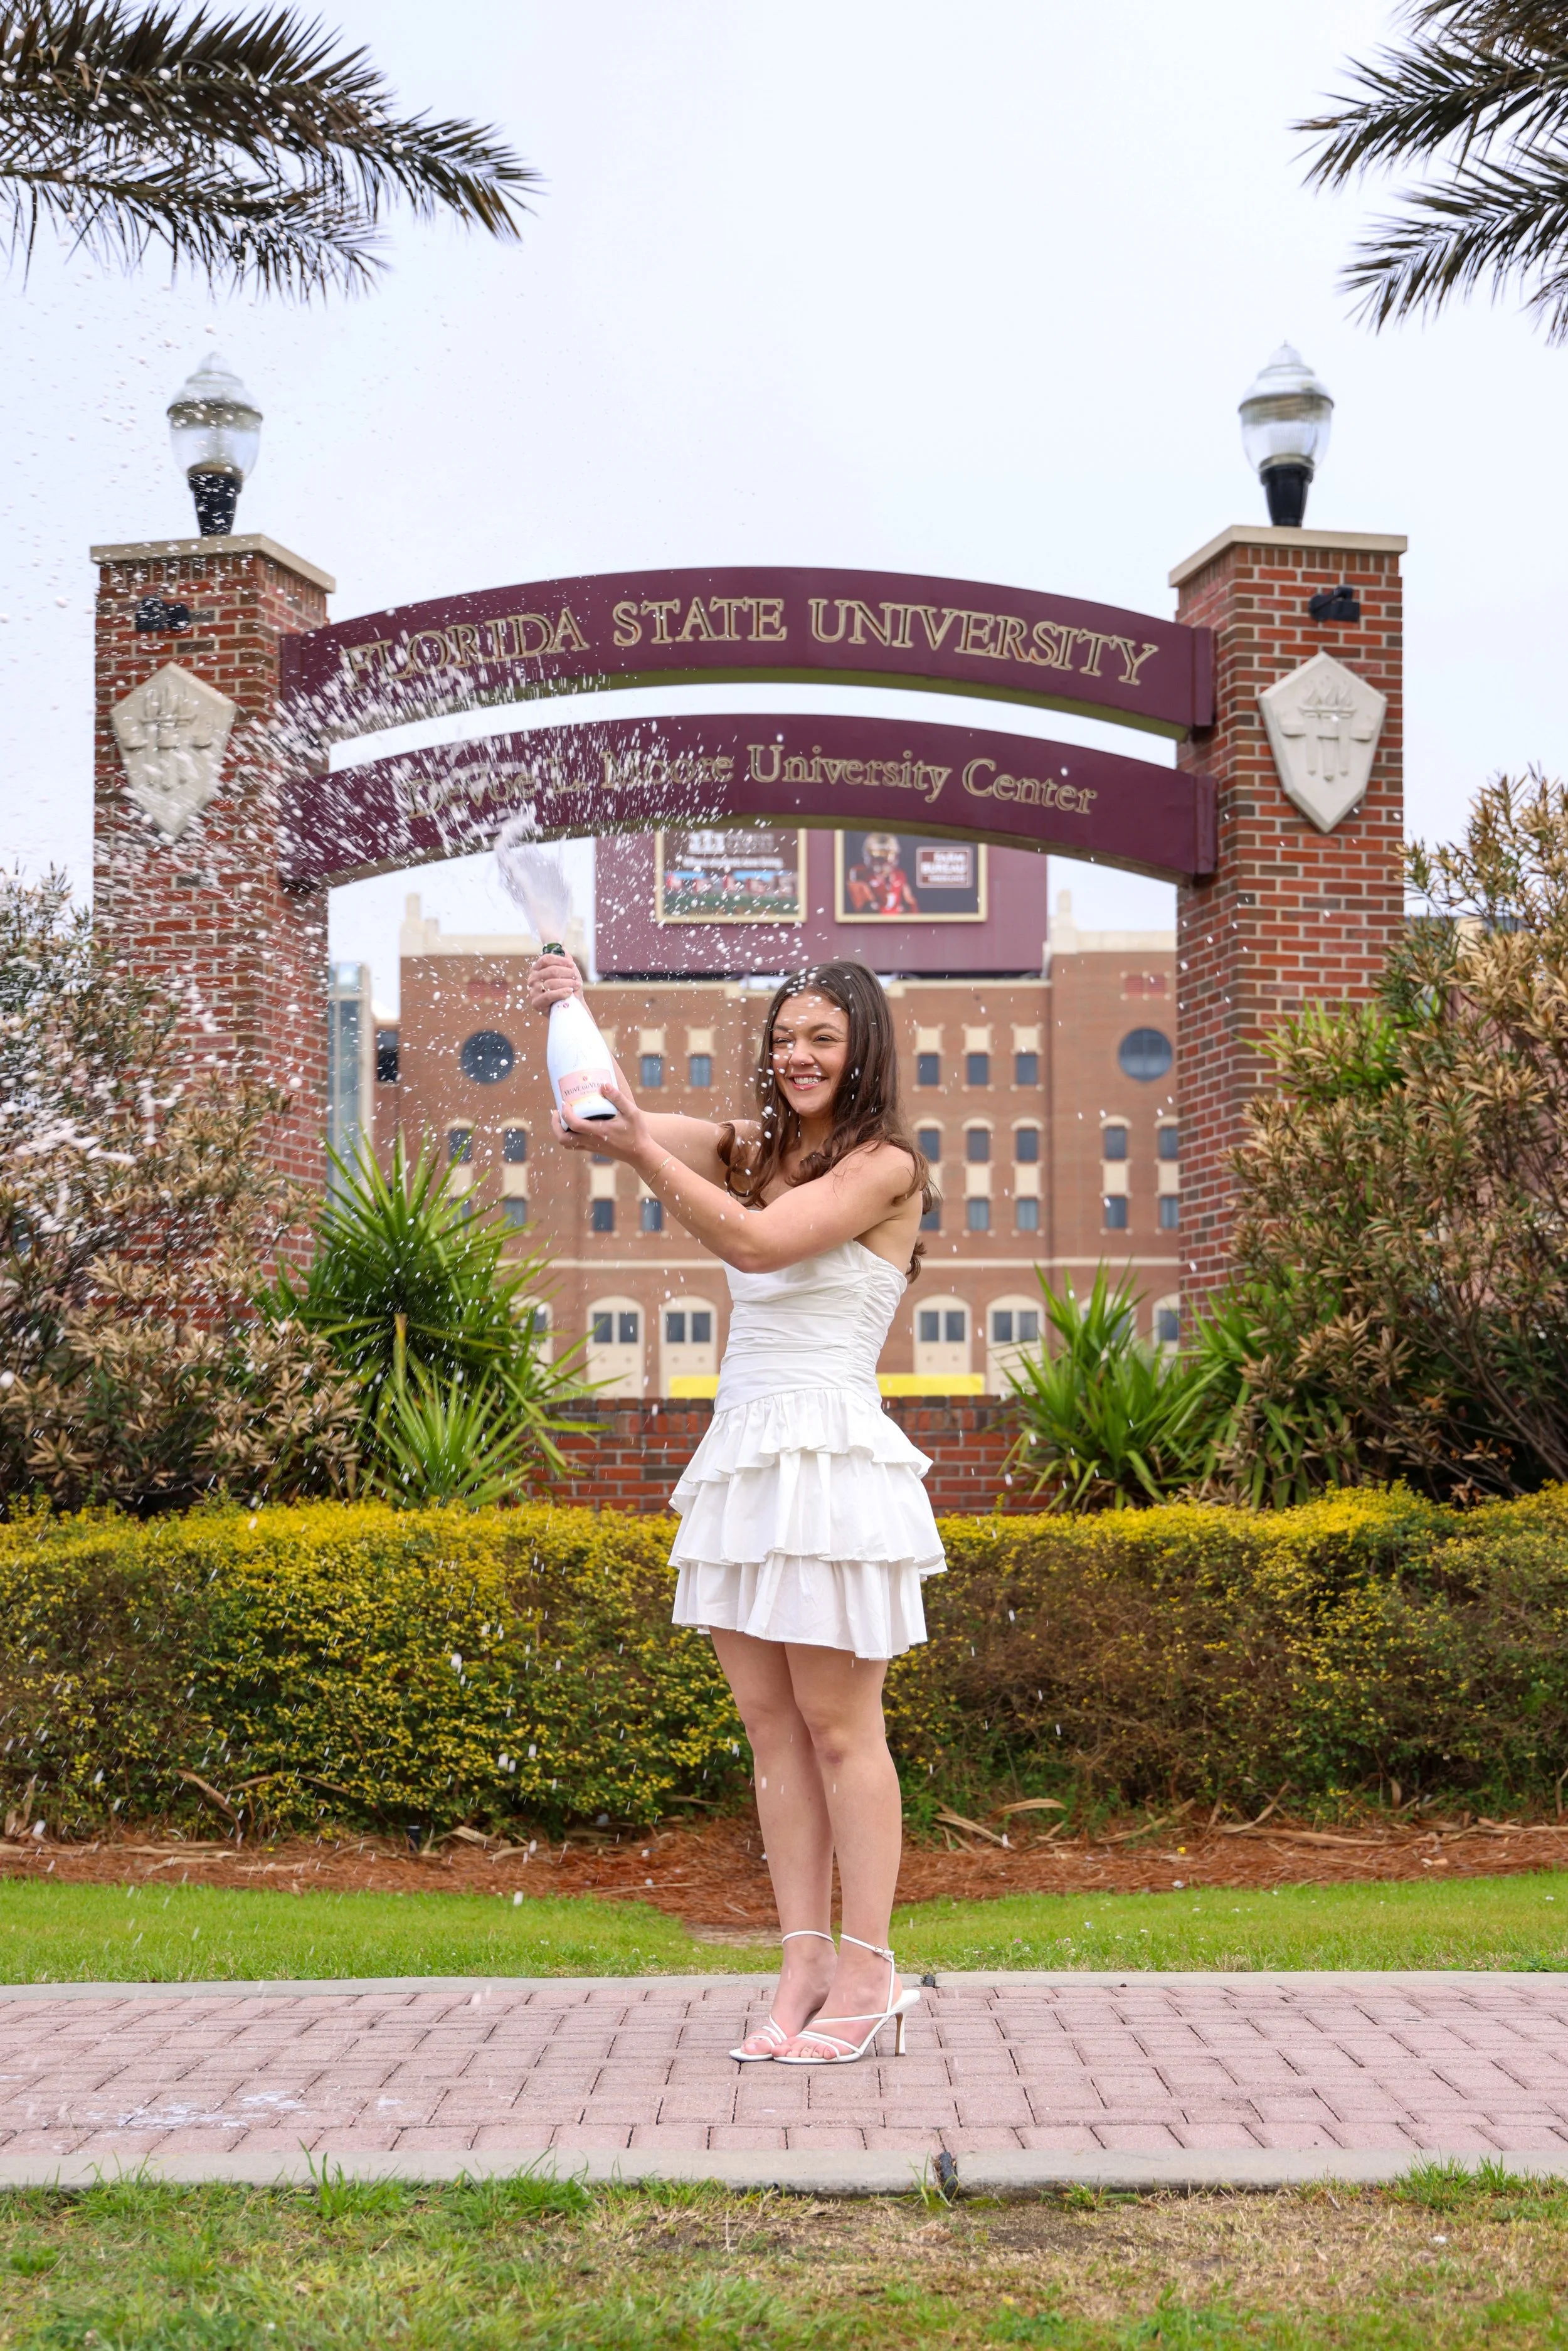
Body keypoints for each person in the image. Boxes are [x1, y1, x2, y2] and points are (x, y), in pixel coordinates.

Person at [526, 952, 945, 2065]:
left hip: (832, 1460)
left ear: (863, 1050)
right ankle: (801, 1958)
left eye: (822, 1038)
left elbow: (756, 1242)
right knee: (772, 1733)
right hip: (745, 1460)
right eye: (785, 1037)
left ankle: (871, 1966)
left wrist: (643, 1153)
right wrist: (571, 1006)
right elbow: (598, 1115)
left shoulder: (889, 1167)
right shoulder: (749, 1148)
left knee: (843, 1730)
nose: (798, 1057)